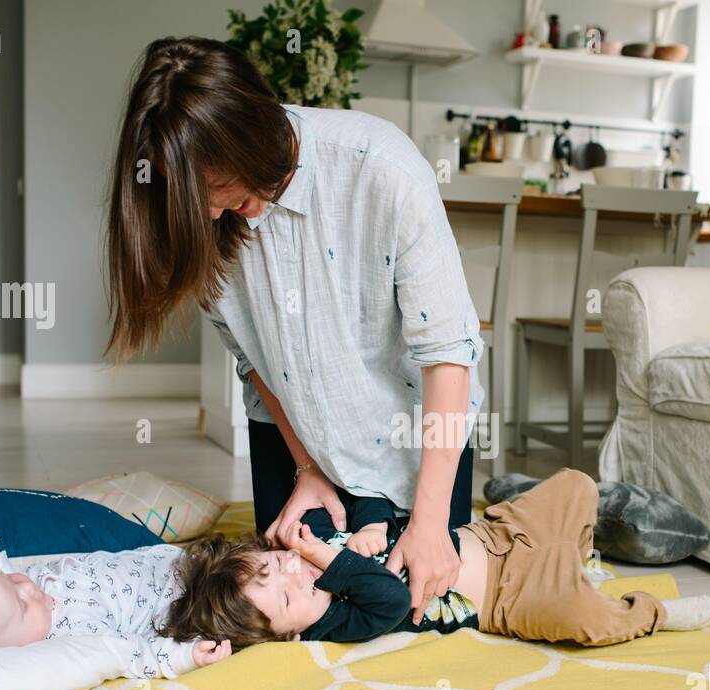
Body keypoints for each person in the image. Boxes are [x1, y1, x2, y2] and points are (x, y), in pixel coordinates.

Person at [104, 36, 480, 626]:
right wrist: (307, 468)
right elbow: (252, 359)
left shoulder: (381, 168)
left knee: (416, 606)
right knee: (277, 607)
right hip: (294, 436)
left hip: (410, 439)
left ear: (252, 135)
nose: (207, 213)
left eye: (218, 190)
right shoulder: (203, 217)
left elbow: (448, 356)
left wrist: (430, 523)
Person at [163, 470, 710, 649]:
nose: (292, 574)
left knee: (575, 483)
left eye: (271, 567)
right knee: (584, 620)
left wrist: (374, 523)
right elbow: (394, 597)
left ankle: (564, 536)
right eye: (286, 599)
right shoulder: (338, 620)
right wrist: (331, 561)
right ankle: (653, 613)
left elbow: (373, 502)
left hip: (493, 533)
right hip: (510, 597)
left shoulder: (318, 548)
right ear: (290, 636)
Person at [0, 534, 231, 679]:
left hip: (158, 562)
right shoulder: (72, 641)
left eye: (11, 582)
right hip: (185, 594)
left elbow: (0, 594)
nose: (27, 588)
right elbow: (131, 654)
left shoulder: (19, 600)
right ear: (14, 648)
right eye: (22, 606)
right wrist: (184, 656)